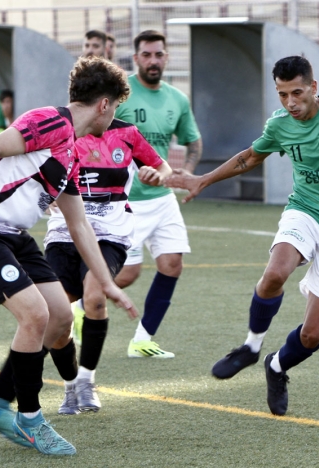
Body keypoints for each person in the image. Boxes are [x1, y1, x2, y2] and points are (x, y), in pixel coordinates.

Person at [166, 56, 319, 416]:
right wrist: (202, 179)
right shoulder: (280, 125)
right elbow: (249, 157)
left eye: (297, 93)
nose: (291, 103)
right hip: (304, 211)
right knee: (276, 272)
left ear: (313, 87)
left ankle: (276, 366)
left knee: (312, 337)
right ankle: (251, 346)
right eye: (282, 95)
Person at [0, 56, 136, 455]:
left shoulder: (72, 152)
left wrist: (109, 284)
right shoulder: (50, 121)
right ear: (104, 104)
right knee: (35, 314)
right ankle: (30, 419)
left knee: (61, 317)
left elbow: (79, 227)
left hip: (13, 236)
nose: (114, 116)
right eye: (115, 107)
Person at [44, 118, 170, 414]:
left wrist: (157, 174)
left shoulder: (127, 133)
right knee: (59, 316)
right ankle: (70, 385)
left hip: (110, 232)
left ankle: (87, 381)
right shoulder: (61, 131)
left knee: (95, 298)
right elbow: (34, 169)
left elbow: (162, 166)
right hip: (63, 233)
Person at [113, 30, 203, 359]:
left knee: (171, 263)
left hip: (162, 198)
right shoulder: (119, 92)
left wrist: (187, 170)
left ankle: (142, 339)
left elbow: (193, 140)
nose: (154, 60)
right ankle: (78, 306)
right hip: (125, 201)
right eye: (147, 55)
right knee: (126, 274)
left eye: (159, 55)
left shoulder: (177, 99)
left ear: (166, 58)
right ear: (136, 58)